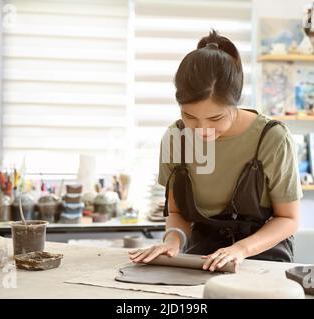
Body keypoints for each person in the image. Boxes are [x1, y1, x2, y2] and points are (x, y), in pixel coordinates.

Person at [129, 30, 302, 272]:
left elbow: (289, 219)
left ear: (235, 103)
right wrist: (172, 241)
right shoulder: (175, 138)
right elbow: (178, 213)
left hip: (263, 258)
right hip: (201, 258)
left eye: (215, 118)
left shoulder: (272, 138)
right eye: (189, 116)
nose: (202, 129)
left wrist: (240, 250)